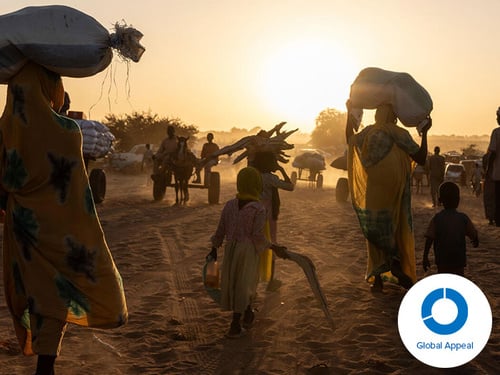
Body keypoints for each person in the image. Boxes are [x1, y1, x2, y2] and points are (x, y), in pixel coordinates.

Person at [0, 62, 127, 375]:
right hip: (63, 228)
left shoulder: (3, 131)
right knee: (56, 290)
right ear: (52, 90)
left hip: (22, 228)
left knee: (33, 289)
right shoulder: (69, 133)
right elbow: (78, 192)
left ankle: (43, 355)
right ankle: (47, 361)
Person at [346, 102, 431, 291]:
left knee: (376, 228)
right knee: (393, 228)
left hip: (376, 192)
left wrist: (348, 114)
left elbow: (350, 139)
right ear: (394, 116)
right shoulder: (399, 133)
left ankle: (378, 278)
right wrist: (424, 132)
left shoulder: (369, 132)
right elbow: (422, 157)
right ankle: (394, 267)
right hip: (393, 191)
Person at [208, 167, 287, 338]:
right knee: (247, 284)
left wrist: (214, 248)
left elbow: (220, 230)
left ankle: (248, 313)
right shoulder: (258, 209)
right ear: (256, 185)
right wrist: (274, 247)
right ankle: (235, 324)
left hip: (231, 249)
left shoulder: (230, 205)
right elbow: (257, 235)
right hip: (248, 251)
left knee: (236, 283)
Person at [252, 151, 294, 291]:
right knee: (271, 244)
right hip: (267, 216)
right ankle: (270, 280)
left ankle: (252, 279)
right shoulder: (270, 178)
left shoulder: (252, 175)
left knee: (254, 247)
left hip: (251, 213)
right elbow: (290, 186)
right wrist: (282, 170)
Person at [423, 182, 479, 276]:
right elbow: (473, 234)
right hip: (458, 259)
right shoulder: (463, 218)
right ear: (458, 199)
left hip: (442, 259)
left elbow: (429, 238)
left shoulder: (437, 218)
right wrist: (475, 240)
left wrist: (425, 256)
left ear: (440, 200)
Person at [486, 107, 500, 226]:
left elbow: (493, 152)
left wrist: (488, 169)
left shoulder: (496, 133)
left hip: (498, 174)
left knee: (497, 198)